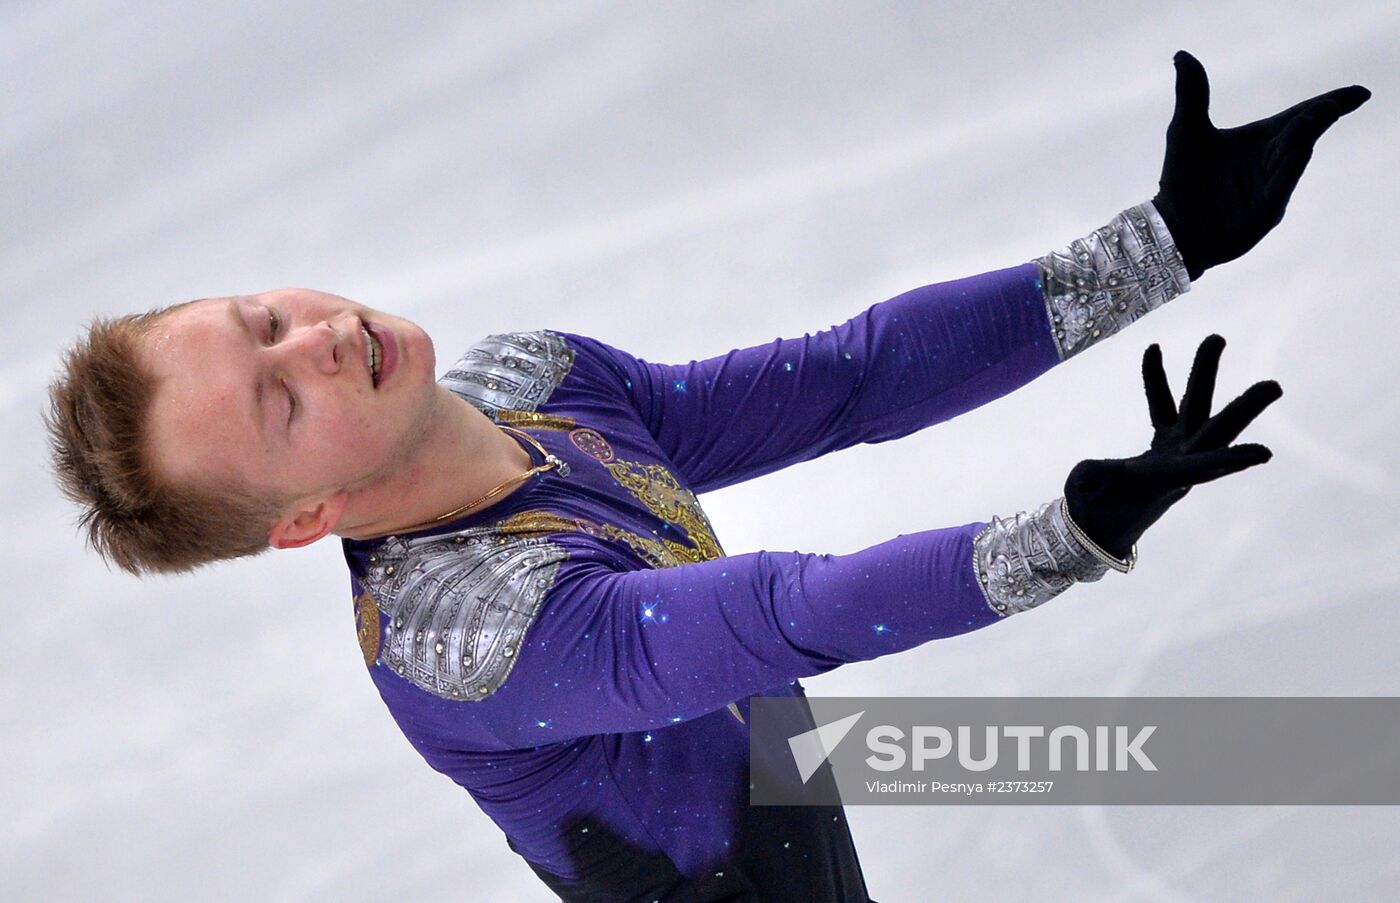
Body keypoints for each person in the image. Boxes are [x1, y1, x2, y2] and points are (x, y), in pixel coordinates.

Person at [46, 51, 1369, 901]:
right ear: (309, 521)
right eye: (281, 402)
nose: (323, 341)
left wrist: (1164, 244)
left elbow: (851, 377)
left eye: (262, 322)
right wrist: (1066, 533)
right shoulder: (480, 638)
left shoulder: (535, 385)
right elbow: (784, 613)